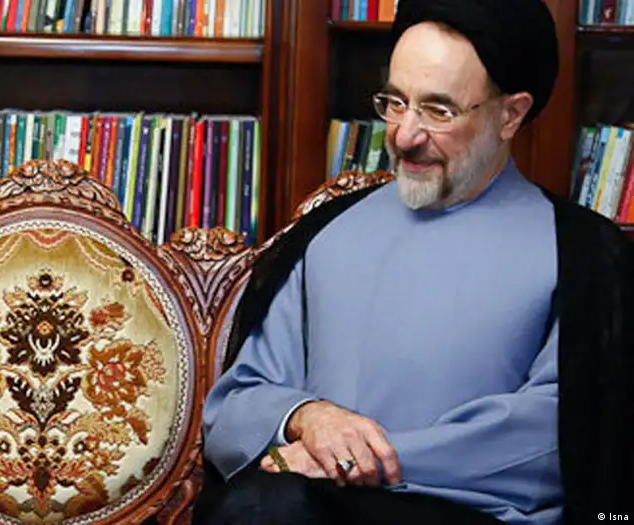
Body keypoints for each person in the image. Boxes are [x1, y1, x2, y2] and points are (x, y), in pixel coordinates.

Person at [193, 1, 633, 524]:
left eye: (438, 110)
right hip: (304, 507)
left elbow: (560, 435)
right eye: (396, 102)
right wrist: (308, 418)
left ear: (510, 115)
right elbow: (238, 403)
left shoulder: (583, 256)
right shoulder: (327, 232)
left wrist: (359, 460)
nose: (404, 135)